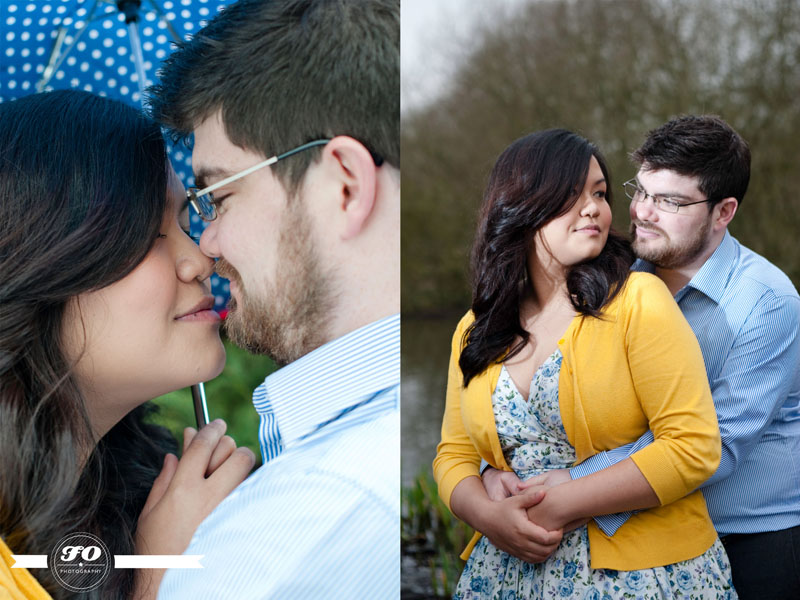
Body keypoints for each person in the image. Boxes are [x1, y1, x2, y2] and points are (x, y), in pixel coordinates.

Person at [483, 115, 800, 599]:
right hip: (632, 530)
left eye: (671, 201)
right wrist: (492, 474)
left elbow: (715, 445)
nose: (645, 213)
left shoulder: (767, 302)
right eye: (642, 192)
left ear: (724, 211)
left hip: (752, 535)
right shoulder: (608, 282)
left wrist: (571, 484)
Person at [147, 0, 400, 596]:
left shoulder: (285, 541)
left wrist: (158, 579)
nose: (206, 244)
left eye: (217, 197)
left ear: (345, 186)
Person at [434, 129, 737, 599]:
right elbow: (453, 455)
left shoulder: (639, 300)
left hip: (643, 577)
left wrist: (562, 503)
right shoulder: (475, 328)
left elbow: (693, 446)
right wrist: (486, 515)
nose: (594, 207)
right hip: (504, 574)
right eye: (571, 195)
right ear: (521, 204)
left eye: (598, 192)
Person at [0, 90, 255, 600]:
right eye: (151, 232)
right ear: (46, 260)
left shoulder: (140, 496)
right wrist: (161, 580)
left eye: (186, 222)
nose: (201, 259)